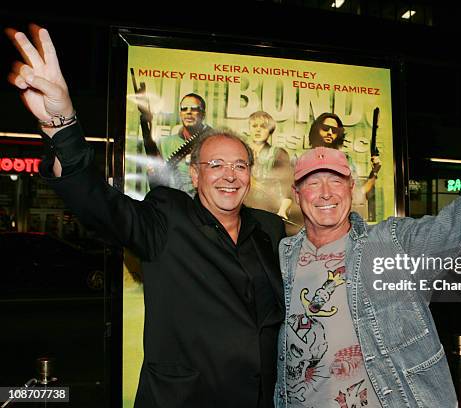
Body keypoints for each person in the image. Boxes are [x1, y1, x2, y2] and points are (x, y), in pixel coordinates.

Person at [8, 26, 285, 408]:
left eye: (240, 165)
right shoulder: (167, 219)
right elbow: (99, 205)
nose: (230, 174)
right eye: (216, 164)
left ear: (250, 175)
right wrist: (64, 125)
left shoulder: (268, 229)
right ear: (194, 173)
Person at [275, 100, 461, 407]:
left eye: (336, 181)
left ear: (351, 187)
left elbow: (458, 224)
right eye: (312, 182)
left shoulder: (390, 245)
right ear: (297, 194)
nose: (325, 192)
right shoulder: (282, 257)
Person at [308, 112, 381, 220]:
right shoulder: (303, 160)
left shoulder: (346, 161)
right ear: (316, 130)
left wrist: (374, 172)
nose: (330, 132)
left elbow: (358, 195)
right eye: (325, 128)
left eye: (334, 130)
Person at [245, 110, 292, 219]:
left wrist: (282, 211)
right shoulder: (241, 151)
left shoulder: (278, 153)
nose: (258, 129)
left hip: (268, 210)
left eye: (263, 126)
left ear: (270, 131)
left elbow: (288, 186)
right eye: (254, 126)